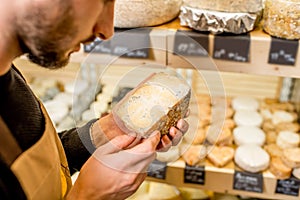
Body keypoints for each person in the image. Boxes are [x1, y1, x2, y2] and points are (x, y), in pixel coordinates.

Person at [0, 0, 189, 199]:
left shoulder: (7, 71)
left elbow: (36, 172)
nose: (107, 30)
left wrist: (108, 131)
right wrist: (87, 195)